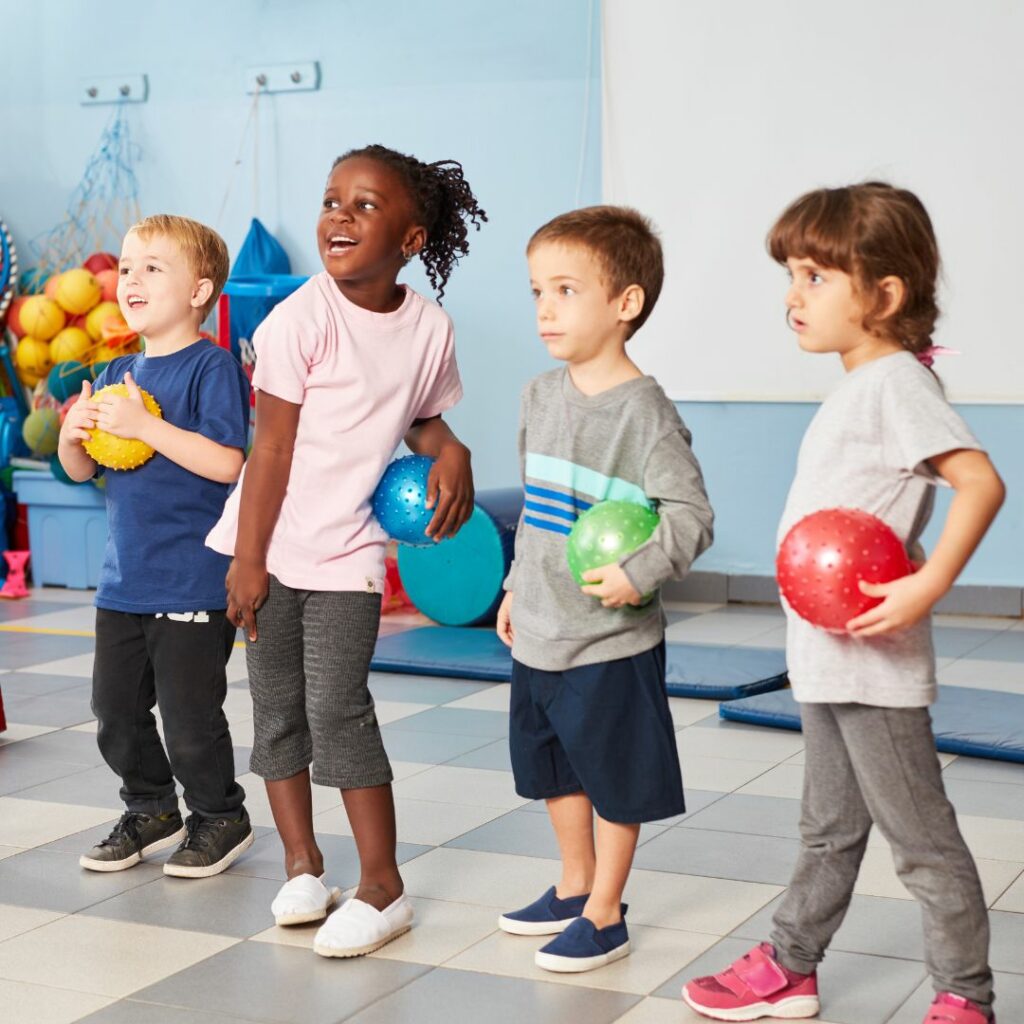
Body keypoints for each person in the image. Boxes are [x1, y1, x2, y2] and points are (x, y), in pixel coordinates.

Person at [682, 182, 1004, 1024]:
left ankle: (964, 998)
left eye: (816, 277)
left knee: (922, 842)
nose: (794, 295)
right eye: (791, 274)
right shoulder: (863, 386)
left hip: (873, 667)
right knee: (828, 830)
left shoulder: (896, 383)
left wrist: (930, 582)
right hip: (830, 659)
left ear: (885, 295)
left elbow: (980, 482)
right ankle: (792, 966)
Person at [206, 144, 485, 958]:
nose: (339, 216)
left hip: (349, 551)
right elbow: (272, 452)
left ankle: (383, 885)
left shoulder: (428, 326)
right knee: (276, 707)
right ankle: (301, 864)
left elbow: (420, 417)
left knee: (338, 706)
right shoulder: (299, 318)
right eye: (333, 201)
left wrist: (454, 449)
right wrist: (250, 558)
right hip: (269, 542)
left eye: (365, 206)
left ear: (410, 239)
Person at [495, 205, 714, 973]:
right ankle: (572, 882)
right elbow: (533, 512)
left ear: (625, 305)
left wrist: (639, 572)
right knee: (553, 764)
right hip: (544, 629)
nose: (546, 309)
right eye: (536, 292)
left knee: (615, 773)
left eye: (565, 290)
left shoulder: (645, 415)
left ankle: (606, 911)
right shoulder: (537, 396)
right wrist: (517, 587)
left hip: (611, 638)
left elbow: (691, 515)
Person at [58, 214, 253, 877]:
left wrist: (145, 423)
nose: (130, 278)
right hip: (125, 581)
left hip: (194, 580)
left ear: (200, 291)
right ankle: (150, 807)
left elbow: (228, 462)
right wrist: (70, 436)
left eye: (152, 267)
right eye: (128, 265)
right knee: (113, 709)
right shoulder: (118, 369)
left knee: (190, 716)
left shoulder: (212, 367)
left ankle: (219, 815)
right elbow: (87, 470)